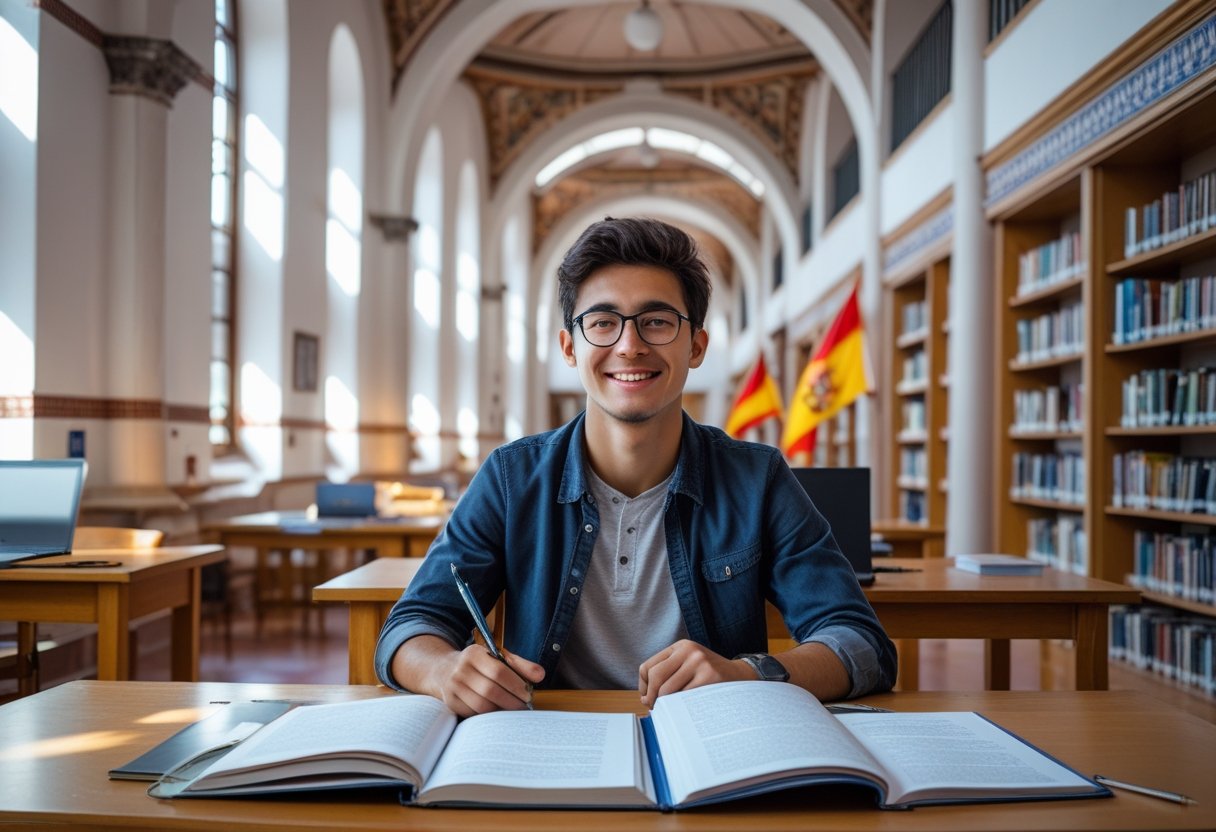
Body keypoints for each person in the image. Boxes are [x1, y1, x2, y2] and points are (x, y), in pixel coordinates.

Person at [375, 216, 897, 716]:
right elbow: (411, 626)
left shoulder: (757, 480)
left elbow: (862, 644)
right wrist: (443, 670)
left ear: (696, 346)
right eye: (603, 322)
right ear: (569, 347)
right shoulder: (511, 479)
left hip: (713, 745)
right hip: (547, 743)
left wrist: (747, 674)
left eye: (657, 322)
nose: (629, 346)